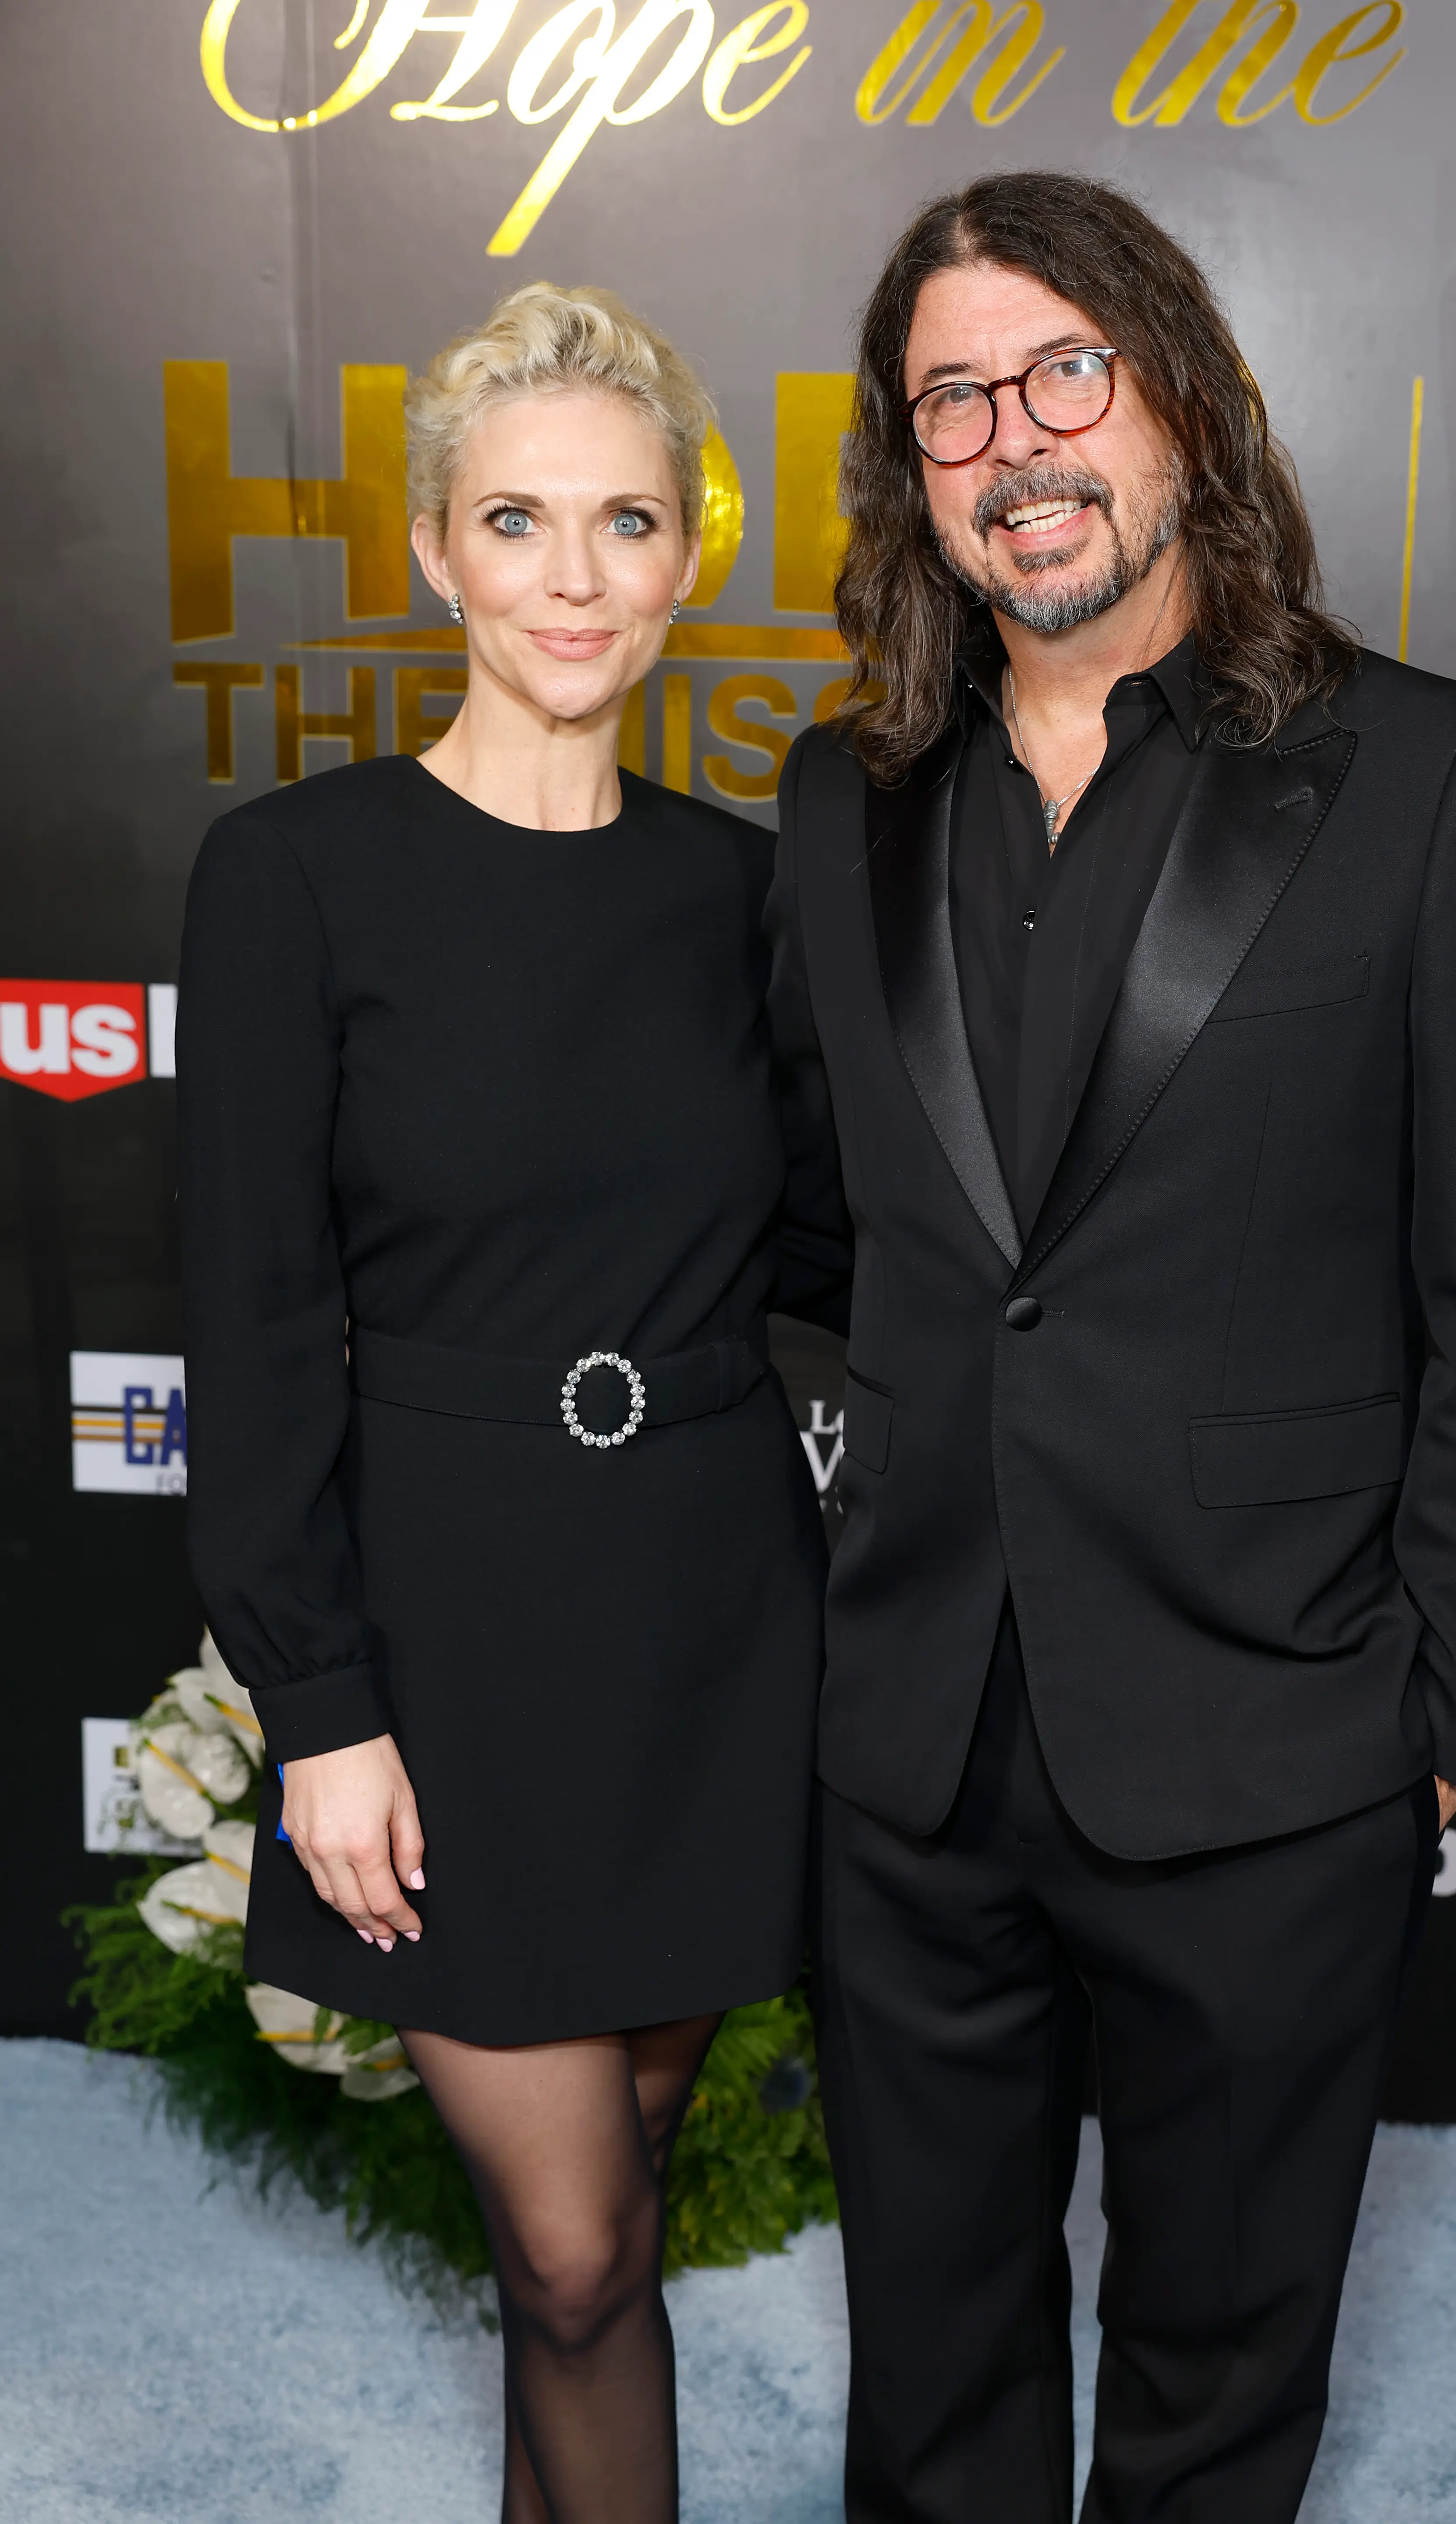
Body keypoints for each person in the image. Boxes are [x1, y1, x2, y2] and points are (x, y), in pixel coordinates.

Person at [768, 172, 1456, 2522]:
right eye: (950, 399)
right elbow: (822, 1223)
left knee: (1220, 2394)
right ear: (908, 468)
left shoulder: (1434, 777)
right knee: (926, 2385)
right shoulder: (844, 802)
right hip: (916, 1747)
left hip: (1277, 1741)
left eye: (1063, 374)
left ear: (1187, 406)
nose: (1012, 439)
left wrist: (1441, 1727)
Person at [176, 282, 843, 2524]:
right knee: (570, 2256)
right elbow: (255, 1327)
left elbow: (843, 1249)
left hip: (714, 1610)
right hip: (451, 1640)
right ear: (437, 552)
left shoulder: (746, 897)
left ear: (684, 559)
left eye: (626, 520)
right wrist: (322, 1707)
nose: (577, 576)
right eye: (522, 520)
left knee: (618, 2207)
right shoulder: (295, 878)